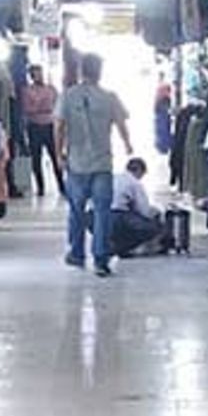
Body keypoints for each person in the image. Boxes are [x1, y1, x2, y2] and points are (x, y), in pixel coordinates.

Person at [55, 51, 130, 276]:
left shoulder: (67, 96)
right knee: (102, 212)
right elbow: (120, 123)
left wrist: (59, 153)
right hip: (102, 163)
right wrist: (128, 144)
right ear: (99, 72)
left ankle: (77, 254)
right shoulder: (110, 97)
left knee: (76, 211)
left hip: (77, 163)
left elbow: (58, 126)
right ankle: (100, 259)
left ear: (80, 70)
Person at [110, 157, 166, 258]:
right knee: (153, 228)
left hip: (94, 217)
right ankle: (121, 247)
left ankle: (109, 244)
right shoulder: (134, 183)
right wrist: (157, 214)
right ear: (139, 171)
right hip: (117, 218)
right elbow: (144, 211)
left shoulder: (114, 177)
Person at [20, 64, 62, 198]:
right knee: (36, 158)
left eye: (40, 73)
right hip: (35, 127)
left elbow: (56, 105)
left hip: (49, 126)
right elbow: (28, 108)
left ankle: (62, 185)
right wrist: (41, 106)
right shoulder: (27, 91)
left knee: (55, 156)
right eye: (35, 73)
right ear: (31, 76)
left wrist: (43, 106)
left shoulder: (51, 89)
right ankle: (40, 187)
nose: (39, 76)